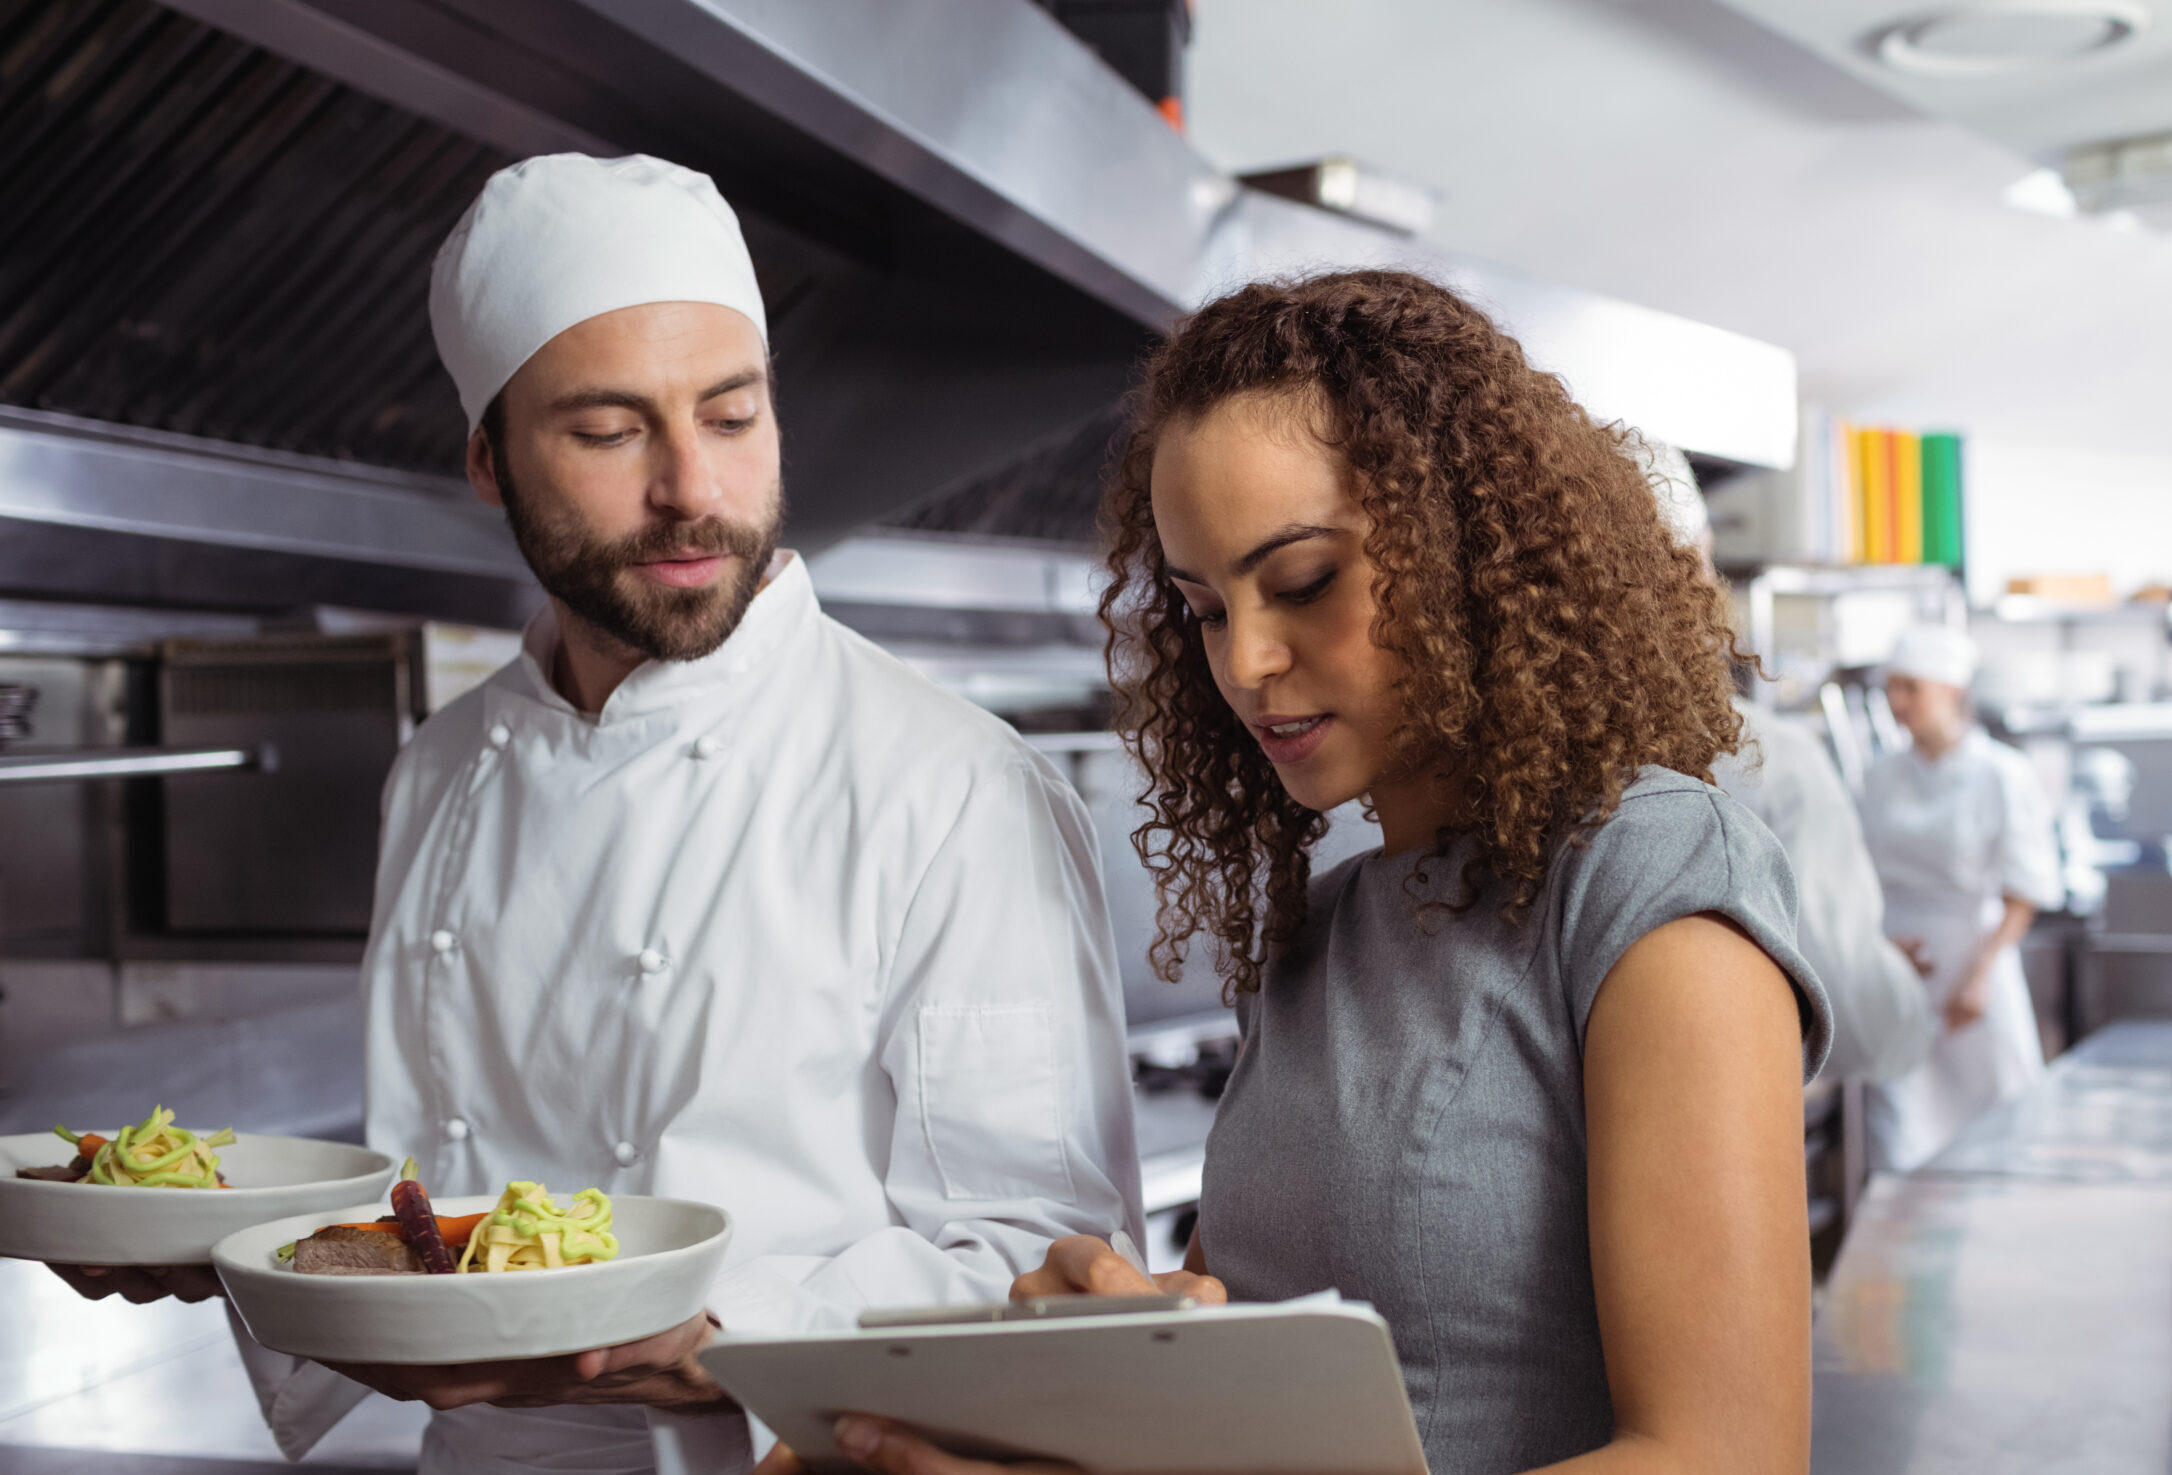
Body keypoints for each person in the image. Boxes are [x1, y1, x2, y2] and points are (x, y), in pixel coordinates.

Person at [48, 154, 1142, 1475]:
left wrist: (719, 1330)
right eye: (613, 430)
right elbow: (439, 1207)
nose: (692, 486)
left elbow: (1048, 1262)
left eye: (732, 417)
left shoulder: (949, 781)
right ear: (489, 460)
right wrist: (228, 1252)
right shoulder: (442, 767)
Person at [797, 270, 1834, 1475]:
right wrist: (1107, 1347)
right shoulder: (1322, 928)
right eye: (1199, 607)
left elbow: (1727, 1455)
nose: (1244, 660)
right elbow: (1323, 1389)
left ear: (1467, 546)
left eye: (1300, 582)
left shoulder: (1647, 873)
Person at [1644, 465, 1934, 1086]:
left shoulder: (1466, 764)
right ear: (1692, 574)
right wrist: (1892, 985)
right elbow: (1859, 1020)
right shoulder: (1772, 760)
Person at [1861, 624, 2062, 1171]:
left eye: (1911, 688)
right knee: (1900, 1132)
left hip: (1975, 962)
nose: (1897, 703)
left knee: (1993, 1125)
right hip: (1899, 963)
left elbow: (2025, 889)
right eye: (1891, 689)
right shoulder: (1880, 776)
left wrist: (1979, 974)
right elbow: (1860, 876)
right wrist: (1879, 947)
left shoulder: (2002, 774)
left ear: (1952, 691)